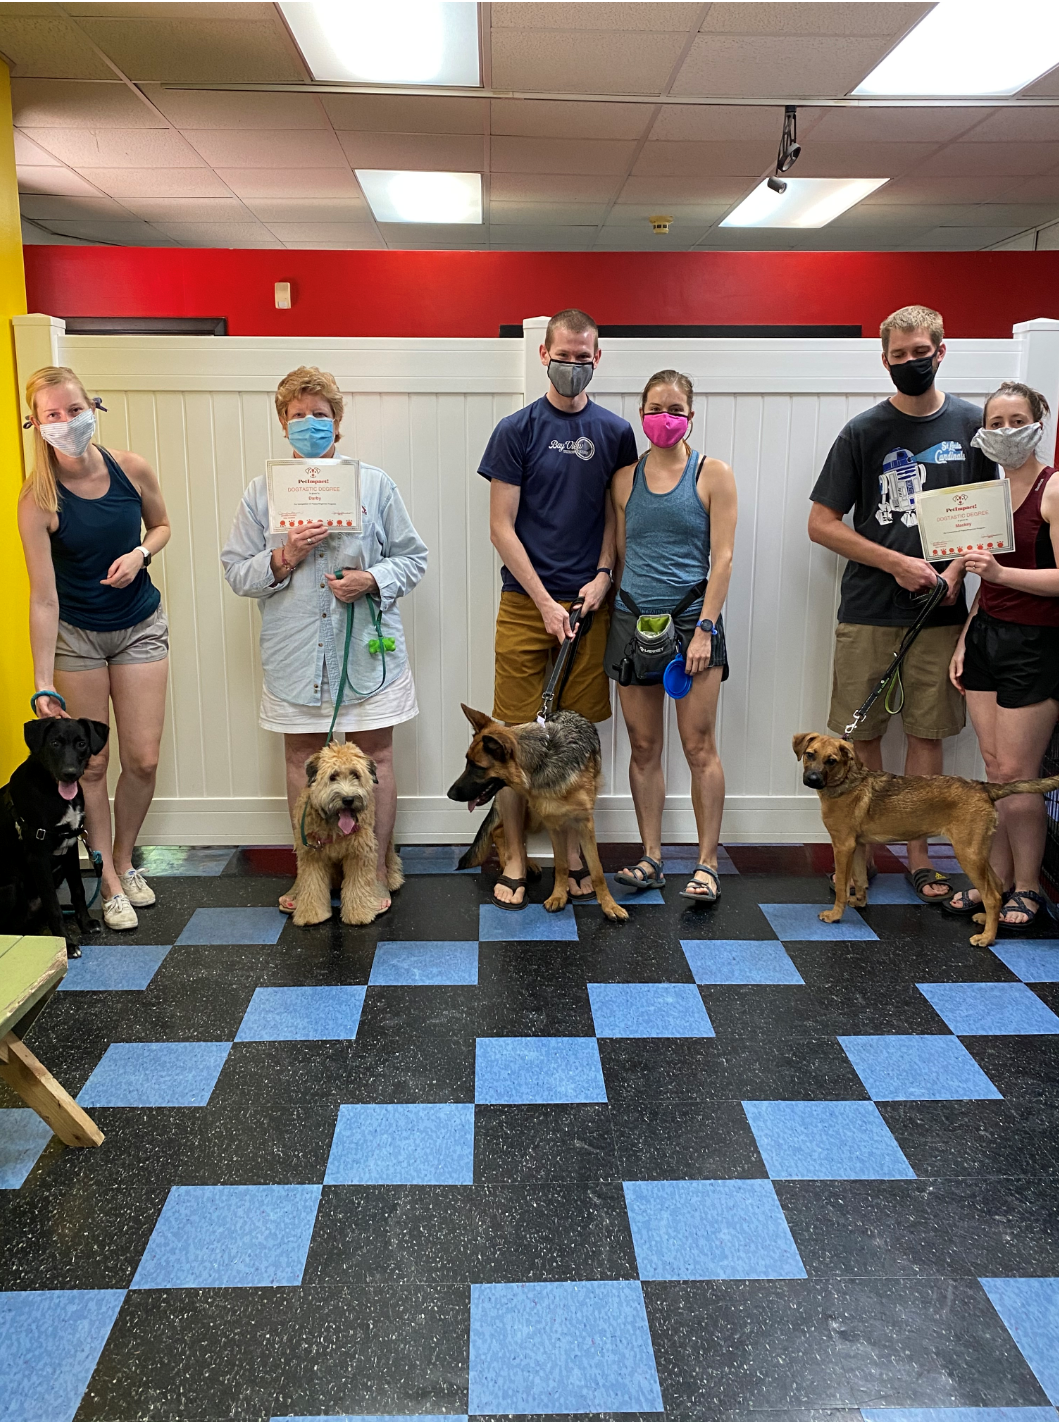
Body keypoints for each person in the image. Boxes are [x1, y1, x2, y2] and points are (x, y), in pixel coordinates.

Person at [221, 365, 427, 917]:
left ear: (337, 423)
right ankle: (309, 873)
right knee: (300, 757)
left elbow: (413, 558)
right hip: (295, 653)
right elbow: (237, 572)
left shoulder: (375, 485)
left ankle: (375, 871)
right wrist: (284, 556)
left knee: (377, 754)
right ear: (282, 424)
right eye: (298, 415)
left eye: (320, 414)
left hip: (367, 650)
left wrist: (371, 579)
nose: (309, 423)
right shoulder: (261, 494)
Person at [808, 304, 995, 903]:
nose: (911, 362)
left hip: (940, 613)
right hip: (867, 608)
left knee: (927, 733)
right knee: (861, 736)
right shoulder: (862, 432)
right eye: (899, 355)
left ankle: (920, 858)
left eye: (921, 352)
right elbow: (821, 524)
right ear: (884, 360)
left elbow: (991, 517)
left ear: (941, 351)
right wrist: (895, 562)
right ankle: (857, 859)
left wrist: (954, 571)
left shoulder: (974, 425)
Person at [477, 308, 638, 909]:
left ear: (597, 358)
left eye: (583, 357)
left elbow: (616, 516)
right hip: (526, 604)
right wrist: (545, 602)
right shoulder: (515, 430)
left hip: (590, 607)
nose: (573, 365)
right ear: (544, 355)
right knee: (510, 739)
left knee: (573, 738)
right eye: (563, 356)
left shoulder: (616, 433)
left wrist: (603, 576)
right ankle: (516, 857)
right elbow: (501, 526)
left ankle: (570, 862)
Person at [17, 364, 172, 931]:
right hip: (77, 635)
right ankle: (107, 882)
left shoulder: (131, 468)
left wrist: (140, 555)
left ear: (93, 407)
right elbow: (43, 597)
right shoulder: (37, 500)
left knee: (143, 758)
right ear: (37, 424)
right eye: (52, 414)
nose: (66, 421)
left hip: (139, 624)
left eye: (74, 409)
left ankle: (124, 860)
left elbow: (161, 526)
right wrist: (42, 682)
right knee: (93, 764)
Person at [605, 369, 737, 902]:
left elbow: (723, 559)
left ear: (691, 416)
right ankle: (651, 857)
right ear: (642, 415)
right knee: (643, 746)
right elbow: (619, 554)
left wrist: (705, 628)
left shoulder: (712, 474)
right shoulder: (623, 480)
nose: (666, 417)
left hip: (693, 623)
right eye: (656, 408)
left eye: (676, 409)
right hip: (632, 620)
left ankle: (707, 864)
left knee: (698, 745)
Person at [947, 381, 1058, 931]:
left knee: (1018, 772)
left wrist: (1000, 573)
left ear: (1039, 422)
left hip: (1036, 644)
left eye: (1018, 420)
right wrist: (966, 638)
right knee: (993, 769)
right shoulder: (985, 496)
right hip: (987, 637)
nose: (1007, 431)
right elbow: (983, 582)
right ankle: (994, 881)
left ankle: (1030, 887)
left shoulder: (1053, 489)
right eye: (996, 422)